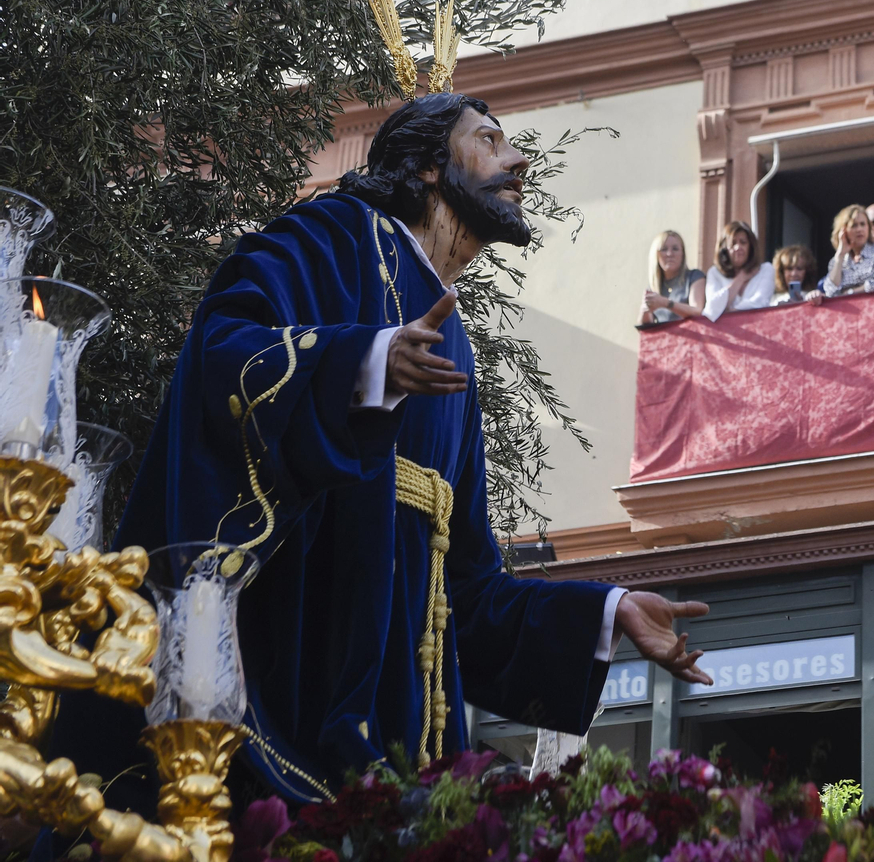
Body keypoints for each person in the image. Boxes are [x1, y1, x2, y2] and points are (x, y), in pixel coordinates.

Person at [47, 93, 715, 812]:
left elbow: (469, 592)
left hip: (406, 761)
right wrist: (362, 363)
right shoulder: (332, 237)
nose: (519, 159)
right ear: (428, 166)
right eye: (489, 141)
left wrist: (606, 612)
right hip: (294, 695)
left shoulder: (452, 350)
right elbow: (220, 351)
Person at [704, 220, 773, 320]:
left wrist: (727, 313)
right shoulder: (714, 273)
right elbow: (712, 309)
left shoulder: (765, 269)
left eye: (743, 242)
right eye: (733, 243)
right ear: (724, 249)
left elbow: (760, 303)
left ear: (751, 246)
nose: (738, 247)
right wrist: (741, 278)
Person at [822, 203, 874, 297]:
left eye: (863, 224)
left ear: (868, 227)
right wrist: (840, 255)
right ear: (843, 231)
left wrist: (850, 293)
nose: (859, 229)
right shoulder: (837, 260)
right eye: (854, 225)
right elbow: (831, 292)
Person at [640, 229, 705, 324]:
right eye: (664, 249)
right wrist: (645, 309)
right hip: (663, 338)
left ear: (682, 254)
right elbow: (645, 326)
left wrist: (666, 303)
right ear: (656, 255)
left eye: (675, 249)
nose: (670, 254)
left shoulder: (694, 277)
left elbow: (697, 311)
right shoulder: (653, 286)